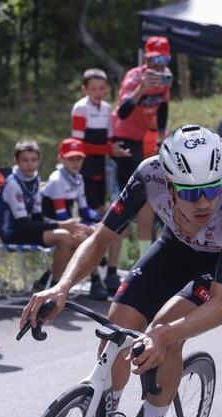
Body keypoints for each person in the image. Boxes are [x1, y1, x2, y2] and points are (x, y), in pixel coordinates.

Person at [20, 126, 222, 417]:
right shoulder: (148, 174)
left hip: (218, 265)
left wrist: (163, 335)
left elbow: (221, 305)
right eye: (191, 192)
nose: (204, 203)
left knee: (165, 328)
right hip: (177, 245)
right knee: (116, 330)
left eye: (212, 189)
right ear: (168, 182)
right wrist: (61, 287)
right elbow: (101, 239)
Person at [0, 140, 95, 290]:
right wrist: (61, 224)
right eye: (25, 160)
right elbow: (23, 223)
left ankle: (46, 281)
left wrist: (66, 225)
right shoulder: (13, 184)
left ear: (39, 161)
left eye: (33, 160)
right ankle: (55, 287)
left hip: (28, 228)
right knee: (64, 236)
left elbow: (37, 217)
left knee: (78, 238)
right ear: (16, 161)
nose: (29, 164)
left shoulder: (35, 179)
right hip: (12, 232)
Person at [110, 35, 172, 252]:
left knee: (142, 195)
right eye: (154, 59)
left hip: (141, 139)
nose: (158, 65)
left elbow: (163, 106)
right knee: (141, 192)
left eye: (164, 60)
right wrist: (142, 88)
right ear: (145, 58)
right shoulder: (134, 77)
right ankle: (134, 254)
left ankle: (138, 253)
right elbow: (123, 113)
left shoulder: (165, 77)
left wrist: (162, 134)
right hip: (122, 138)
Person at [71, 68, 125, 292]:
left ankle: (111, 274)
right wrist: (107, 149)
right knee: (90, 221)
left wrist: (115, 149)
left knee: (110, 219)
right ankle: (94, 279)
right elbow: (78, 146)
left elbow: (110, 139)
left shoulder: (106, 109)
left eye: (102, 88)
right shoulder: (80, 108)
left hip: (103, 168)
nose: (98, 92)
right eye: (93, 88)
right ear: (84, 89)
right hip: (85, 167)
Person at [41, 138, 109, 298]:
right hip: (50, 224)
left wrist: (103, 219)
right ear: (60, 159)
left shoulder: (78, 178)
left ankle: (47, 277)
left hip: (66, 223)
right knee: (88, 239)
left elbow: (85, 210)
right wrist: (86, 228)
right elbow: (61, 216)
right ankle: (96, 279)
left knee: (101, 229)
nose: (75, 162)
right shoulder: (57, 179)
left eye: (78, 158)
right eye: (70, 158)